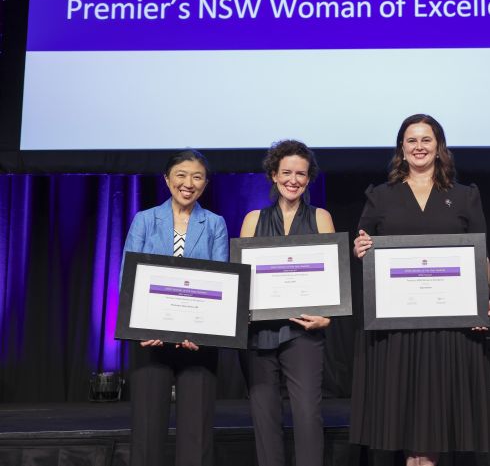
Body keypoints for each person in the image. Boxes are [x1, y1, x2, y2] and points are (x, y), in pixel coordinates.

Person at [351, 114, 490, 466]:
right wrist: (359, 251)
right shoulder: (380, 196)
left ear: (439, 148)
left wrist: (481, 301)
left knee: (434, 427)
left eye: (426, 140)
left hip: (447, 326)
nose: (419, 147)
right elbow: (362, 248)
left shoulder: (464, 196)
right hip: (396, 327)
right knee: (404, 426)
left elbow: (481, 257)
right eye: (412, 140)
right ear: (401, 149)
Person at [123, 149, 229, 466]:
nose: (188, 183)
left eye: (197, 176)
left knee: (196, 435)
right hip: (149, 339)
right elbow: (127, 276)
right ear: (167, 179)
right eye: (181, 175)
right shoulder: (144, 219)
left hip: (198, 342)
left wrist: (205, 330)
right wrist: (140, 327)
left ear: (205, 183)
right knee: (146, 432)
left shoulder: (214, 224)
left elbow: (220, 279)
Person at [239, 140, 334, 466]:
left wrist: (327, 318)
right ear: (274, 175)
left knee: (308, 416)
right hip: (259, 334)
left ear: (309, 179)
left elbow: (332, 279)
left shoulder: (321, 218)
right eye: (287, 172)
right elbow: (243, 280)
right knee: (265, 421)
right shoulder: (253, 219)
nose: (294, 179)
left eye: (301, 174)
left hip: (304, 332)